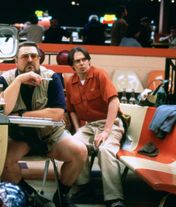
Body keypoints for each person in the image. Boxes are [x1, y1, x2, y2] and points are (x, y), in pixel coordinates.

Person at [0, 41, 87, 207]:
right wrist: (19, 80)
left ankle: (61, 195)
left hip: (49, 134)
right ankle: (30, 196)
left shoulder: (52, 77)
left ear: (39, 59)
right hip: (18, 137)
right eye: (24, 56)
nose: (30, 60)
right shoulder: (5, 79)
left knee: (80, 152)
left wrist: (21, 115)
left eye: (34, 56)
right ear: (16, 61)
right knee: (2, 160)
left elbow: (57, 113)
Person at [65, 47, 126, 207]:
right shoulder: (70, 82)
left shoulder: (99, 74)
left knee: (105, 150)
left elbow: (114, 101)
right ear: (72, 65)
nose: (82, 63)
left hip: (111, 122)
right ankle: (85, 188)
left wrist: (106, 131)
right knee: (75, 145)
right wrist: (78, 129)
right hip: (89, 126)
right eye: (77, 61)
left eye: (84, 59)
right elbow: (71, 111)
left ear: (89, 60)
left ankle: (115, 199)